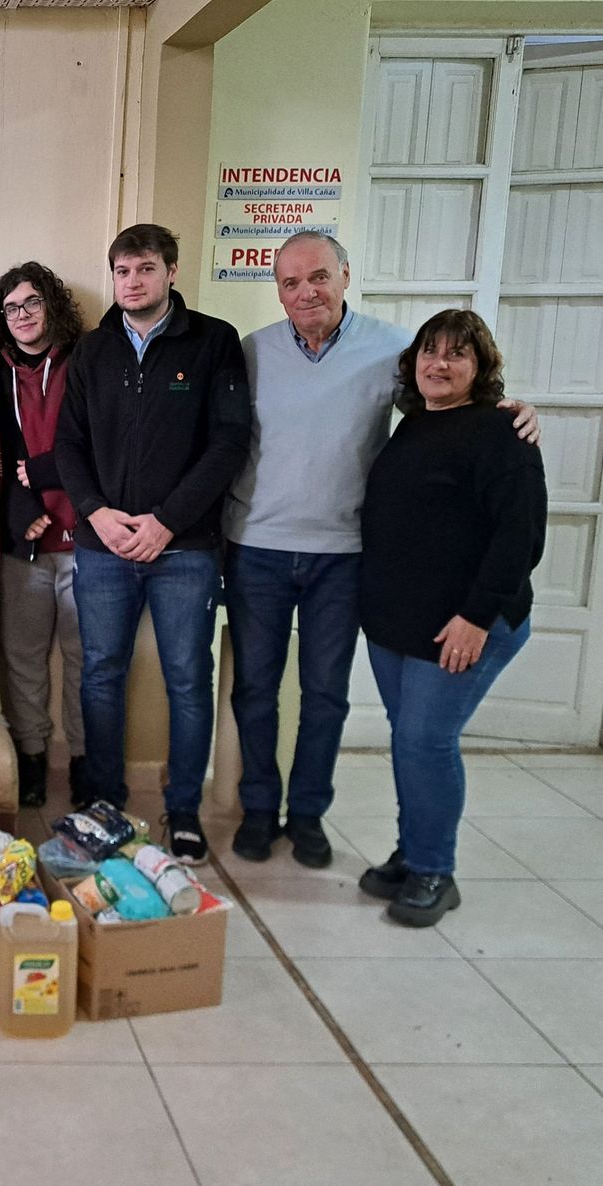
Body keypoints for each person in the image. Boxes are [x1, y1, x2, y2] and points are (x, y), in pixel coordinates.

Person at [224, 232, 539, 867]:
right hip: (256, 546)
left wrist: (513, 409)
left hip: (343, 555)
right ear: (278, 291)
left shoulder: (395, 350)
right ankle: (260, 808)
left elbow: (449, 409)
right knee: (254, 688)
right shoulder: (251, 353)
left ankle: (308, 813)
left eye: (318, 277)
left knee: (326, 694)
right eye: (290, 282)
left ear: (345, 276)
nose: (306, 291)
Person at [54, 223, 250, 863]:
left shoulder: (214, 341)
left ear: (170, 271)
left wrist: (167, 520)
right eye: (121, 271)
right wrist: (97, 514)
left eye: (143, 269)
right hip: (101, 545)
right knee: (101, 676)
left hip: (185, 548)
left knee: (189, 680)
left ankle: (184, 808)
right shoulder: (92, 350)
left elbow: (228, 443)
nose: (131, 282)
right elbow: (69, 446)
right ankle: (104, 800)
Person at [357, 310, 545, 926]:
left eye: (456, 354)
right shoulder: (413, 425)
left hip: (465, 623)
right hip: (400, 621)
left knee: (425, 741)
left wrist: (475, 616)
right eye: (430, 352)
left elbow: (520, 539)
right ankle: (413, 853)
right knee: (410, 741)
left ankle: (436, 870)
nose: (439, 364)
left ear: (480, 367)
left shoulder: (501, 434)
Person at [0, 262, 87, 806]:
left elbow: (106, 443)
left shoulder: (88, 359)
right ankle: (33, 758)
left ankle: (88, 762)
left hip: (90, 536)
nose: (22, 315)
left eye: (32, 303)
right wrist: (19, 511)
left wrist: (50, 474)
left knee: (89, 659)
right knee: (22, 658)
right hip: (25, 540)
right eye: (12, 307)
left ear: (52, 306)